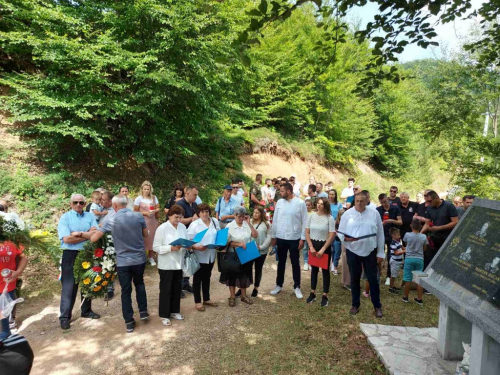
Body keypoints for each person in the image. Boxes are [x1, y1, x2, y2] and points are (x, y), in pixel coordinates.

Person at [91, 195, 149, 333]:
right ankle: (143, 311)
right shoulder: (139, 216)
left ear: (115, 206)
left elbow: (94, 238)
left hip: (123, 261)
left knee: (125, 290)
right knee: (140, 284)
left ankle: (129, 321)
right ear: (127, 203)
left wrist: (88, 233)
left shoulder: (111, 219)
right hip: (139, 259)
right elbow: (145, 234)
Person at [338, 192, 385, 318]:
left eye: (362, 201)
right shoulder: (348, 214)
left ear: (367, 201)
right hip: (353, 251)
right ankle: (355, 304)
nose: (359, 203)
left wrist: (381, 252)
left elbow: (380, 233)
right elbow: (340, 233)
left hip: (370, 251)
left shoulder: (374, 213)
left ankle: (377, 306)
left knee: (373, 279)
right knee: (354, 278)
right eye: (357, 201)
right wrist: (346, 239)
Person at [57, 194, 100, 330]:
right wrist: (86, 234)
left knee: (87, 283)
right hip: (70, 254)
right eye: (75, 202)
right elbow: (67, 240)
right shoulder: (65, 218)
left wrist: (78, 234)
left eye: (81, 202)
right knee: (69, 287)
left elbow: (96, 235)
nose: (78, 205)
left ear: (84, 203)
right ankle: (65, 317)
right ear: (71, 203)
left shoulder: (90, 216)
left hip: (87, 253)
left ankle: (86, 311)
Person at [152, 204, 189, 326]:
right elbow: (156, 247)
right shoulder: (162, 229)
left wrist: (187, 245)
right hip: (166, 264)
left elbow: (185, 240)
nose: (178, 220)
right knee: (166, 290)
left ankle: (174, 311)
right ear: (169, 216)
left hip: (179, 263)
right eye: (176, 217)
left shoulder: (182, 227)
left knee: (177, 288)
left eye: (180, 217)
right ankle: (164, 314)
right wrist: (171, 248)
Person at [270, 183, 307, 299]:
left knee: (295, 263)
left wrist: (303, 238)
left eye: (281, 191)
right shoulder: (280, 203)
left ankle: (297, 286)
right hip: (281, 237)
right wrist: (273, 235)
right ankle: (278, 285)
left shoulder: (300, 203)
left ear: (289, 191)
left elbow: (305, 221)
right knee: (281, 262)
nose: (280, 193)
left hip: (294, 238)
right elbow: (275, 219)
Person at [221, 206, 258, 307]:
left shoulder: (246, 224)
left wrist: (249, 223)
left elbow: (255, 235)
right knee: (232, 275)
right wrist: (238, 244)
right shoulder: (229, 226)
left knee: (244, 274)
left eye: (243, 216)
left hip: (245, 253)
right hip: (233, 254)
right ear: (234, 215)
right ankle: (232, 296)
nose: (241, 219)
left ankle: (243, 295)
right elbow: (224, 242)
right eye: (239, 216)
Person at [187, 203, 220, 311]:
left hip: (211, 254)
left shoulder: (214, 221)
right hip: (199, 255)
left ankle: (206, 298)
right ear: (198, 213)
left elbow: (219, 235)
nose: (205, 214)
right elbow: (189, 240)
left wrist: (219, 243)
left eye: (206, 211)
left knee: (207, 277)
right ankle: (197, 301)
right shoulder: (195, 224)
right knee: (197, 279)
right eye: (202, 212)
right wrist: (196, 247)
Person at [421, 190, 458, 283]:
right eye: (426, 201)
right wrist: (419, 234)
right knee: (431, 259)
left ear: (436, 198)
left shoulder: (449, 206)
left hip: (447, 238)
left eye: (430, 201)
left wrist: (439, 228)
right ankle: (431, 280)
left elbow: (455, 222)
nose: (428, 203)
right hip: (434, 238)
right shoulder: (429, 208)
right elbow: (427, 222)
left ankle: (444, 281)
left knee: (445, 260)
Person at [305, 198, 336, 307]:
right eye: (317, 203)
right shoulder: (311, 216)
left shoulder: (329, 218)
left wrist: (323, 249)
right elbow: (307, 232)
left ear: (325, 205)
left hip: (325, 246)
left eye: (321, 204)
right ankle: (312, 293)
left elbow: (332, 234)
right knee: (314, 270)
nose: (319, 205)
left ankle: (324, 295)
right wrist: (311, 247)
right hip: (313, 245)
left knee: (325, 271)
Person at [176, 185, 199, 294]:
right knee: (180, 261)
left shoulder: (194, 204)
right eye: (194, 195)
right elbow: (178, 221)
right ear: (187, 193)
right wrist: (192, 219)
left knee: (188, 260)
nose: (196, 197)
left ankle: (185, 283)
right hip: (181, 235)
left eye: (196, 195)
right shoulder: (179, 204)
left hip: (191, 236)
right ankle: (178, 287)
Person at [0, 240, 27, 335]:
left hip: (7, 281)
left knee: (8, 304)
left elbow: (23, 257)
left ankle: (9, 324)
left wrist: (18, 272)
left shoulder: (12, 238)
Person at [376, 193, 402, 287]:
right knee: (379, 256)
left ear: (388, 199)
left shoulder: (395, 208)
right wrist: (380, 224)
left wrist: (391, 220)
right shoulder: (378, 210)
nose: (384, 204)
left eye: (385, 202)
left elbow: (400, 222)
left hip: (392, 236)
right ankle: (378, 274)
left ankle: (388, 276)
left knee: (391, 257)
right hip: (381, 235)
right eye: (382, 202)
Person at [402, 219, 428, 305]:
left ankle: (405, 297)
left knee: (407, 278)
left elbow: (406, 245)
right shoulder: (424, 236)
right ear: (421, 227)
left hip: (409, 258)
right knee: (419, 279)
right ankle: (419, 298)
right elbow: (425, 248)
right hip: (419, 259)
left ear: (411, 226)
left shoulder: (407, 235)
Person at [134, 181, 160, 266]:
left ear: (150, 189)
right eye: (145, 189)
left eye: (148, 189)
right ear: (142, 189)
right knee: (143, 238)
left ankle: (151, 257)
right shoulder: (139, 198)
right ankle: (142, 257)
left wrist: (154, 211)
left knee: (152, 238)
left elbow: (158, 208)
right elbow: (135, 211)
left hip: (152, 221)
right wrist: (146, 213)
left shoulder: (153, 197)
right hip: (143, 220)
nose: (146, 190)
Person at [98, 191, 116, 301]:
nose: (101, 201)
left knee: (109, 263)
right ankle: (101, 284)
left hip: (109, 240)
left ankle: (110, 288)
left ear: (110, 201)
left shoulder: (113, 212)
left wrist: (98, 225)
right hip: (99, 239)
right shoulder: (99, 209)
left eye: (103, 199)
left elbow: (108, 225)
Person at [250, 206, 271, 297]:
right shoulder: (249, 222)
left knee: (258, 269)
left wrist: (262, 247)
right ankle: (243, 286)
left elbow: (269, 237)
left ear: (261, 214)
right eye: (254, 212)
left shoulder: (266, 224)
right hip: (250, 249)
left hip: (261, 251)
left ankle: (256, 287)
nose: (255, 214)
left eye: (257, 213)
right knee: (247, 268)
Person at [328, 189, 343, 275]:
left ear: (335, 195)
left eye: (333, 194)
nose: (331, 196)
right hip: (328, 228)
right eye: (330, 194)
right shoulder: (326, 203)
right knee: (329, 248)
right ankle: (328, 263)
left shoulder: (339, 204)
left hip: (337, 228)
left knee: (336, 248)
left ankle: (334, 264)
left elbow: (341, 215)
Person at [388, 228, 405, 294]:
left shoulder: (398, 242)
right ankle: (391, 287)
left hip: (398, 261)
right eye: (398, 235)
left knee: (395, 275)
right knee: (393, 275)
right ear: (393, 235)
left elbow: (403, 248)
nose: (399, 236)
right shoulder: (393, 243)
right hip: (395, 261)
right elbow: (396, 253)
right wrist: (404, 251)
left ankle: (393, 286)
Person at [302, 199, 314, 271]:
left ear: (311, 206)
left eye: (309, 205)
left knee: (311, 247)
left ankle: (311, 262)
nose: (307, 206)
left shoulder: (313, 214)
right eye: (306, 205)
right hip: (304, 233)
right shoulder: (302, 213)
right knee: (305, 248)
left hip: (312, 233)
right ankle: (306, 262)